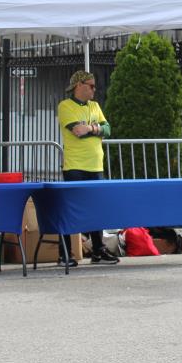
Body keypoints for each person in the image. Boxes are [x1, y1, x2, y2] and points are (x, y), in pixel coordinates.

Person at [57, 70, 119, 266]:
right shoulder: (65, 106)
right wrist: (97, 129)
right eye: (91, 86)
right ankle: (64, 253)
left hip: (95, 165)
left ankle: (98, 250)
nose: (94, 89)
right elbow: (77, 131)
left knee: (96, 208)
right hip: (75, 166)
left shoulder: (95, 106)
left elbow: (108, 129)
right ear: (79, 85)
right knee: (71, 209)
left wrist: (91, 128)